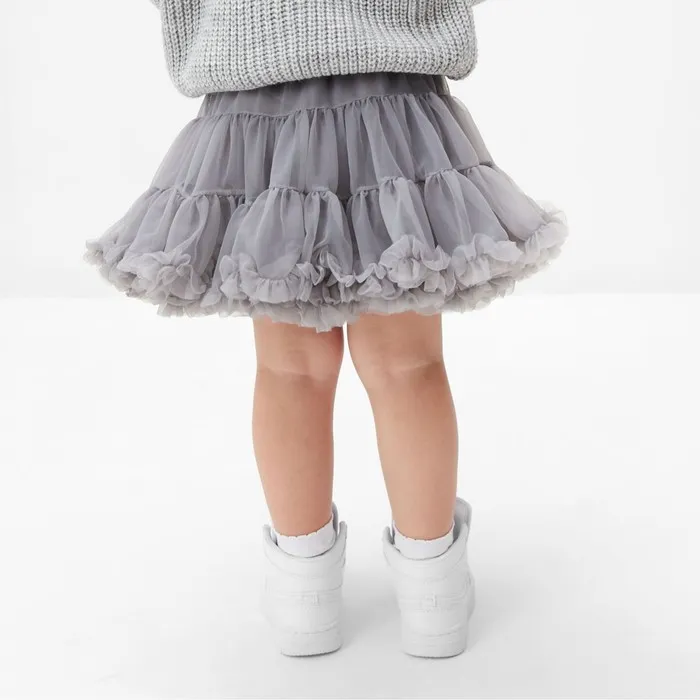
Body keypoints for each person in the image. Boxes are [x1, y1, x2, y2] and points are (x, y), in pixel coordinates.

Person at [85, 0, 567, 658]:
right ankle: (434, 596)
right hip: (392, 104)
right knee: (408, 368)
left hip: (257, 105)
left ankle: (303, 596)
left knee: (291, 371)